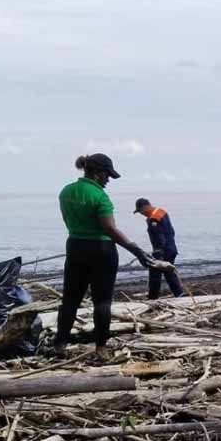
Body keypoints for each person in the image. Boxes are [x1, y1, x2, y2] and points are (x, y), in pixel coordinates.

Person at [54, 154, 156, 361]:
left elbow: (67, 220)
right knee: (102, 302)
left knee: (70, 299)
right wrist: (135, 249)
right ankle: (101, 348)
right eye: (107, 175)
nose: (108, 180)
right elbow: (109, 229)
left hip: (74, 246)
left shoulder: (66, 192)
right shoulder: (100, 196)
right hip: (101, 250)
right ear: (97, 173)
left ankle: (60, 344)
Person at [134, 198, 185, 299]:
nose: (141, 214)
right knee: (169, 272)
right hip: (171, 248)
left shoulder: (154, 218)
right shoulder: (161, 212)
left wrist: (158, 252)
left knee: (155, 273)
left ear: (145, 207)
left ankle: (152, 297)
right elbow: (171, 231)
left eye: (140, 211)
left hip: (162, 250)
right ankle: (179, 294)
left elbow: (159, 237)